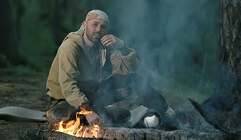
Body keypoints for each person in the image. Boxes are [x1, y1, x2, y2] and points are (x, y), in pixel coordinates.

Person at [45, 10, 177, 129]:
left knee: (133, 80)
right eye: (95, 24)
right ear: (84, 25)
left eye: (103, 27)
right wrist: (88, 112)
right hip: (67, 101)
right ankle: (102, 115)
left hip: (91, 96)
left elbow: (128, 70)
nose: (98, 29)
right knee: (72, 119)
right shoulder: (70, 47)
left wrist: (123, 47)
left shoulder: (104, 47)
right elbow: (68, 85)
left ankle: (167, 114)